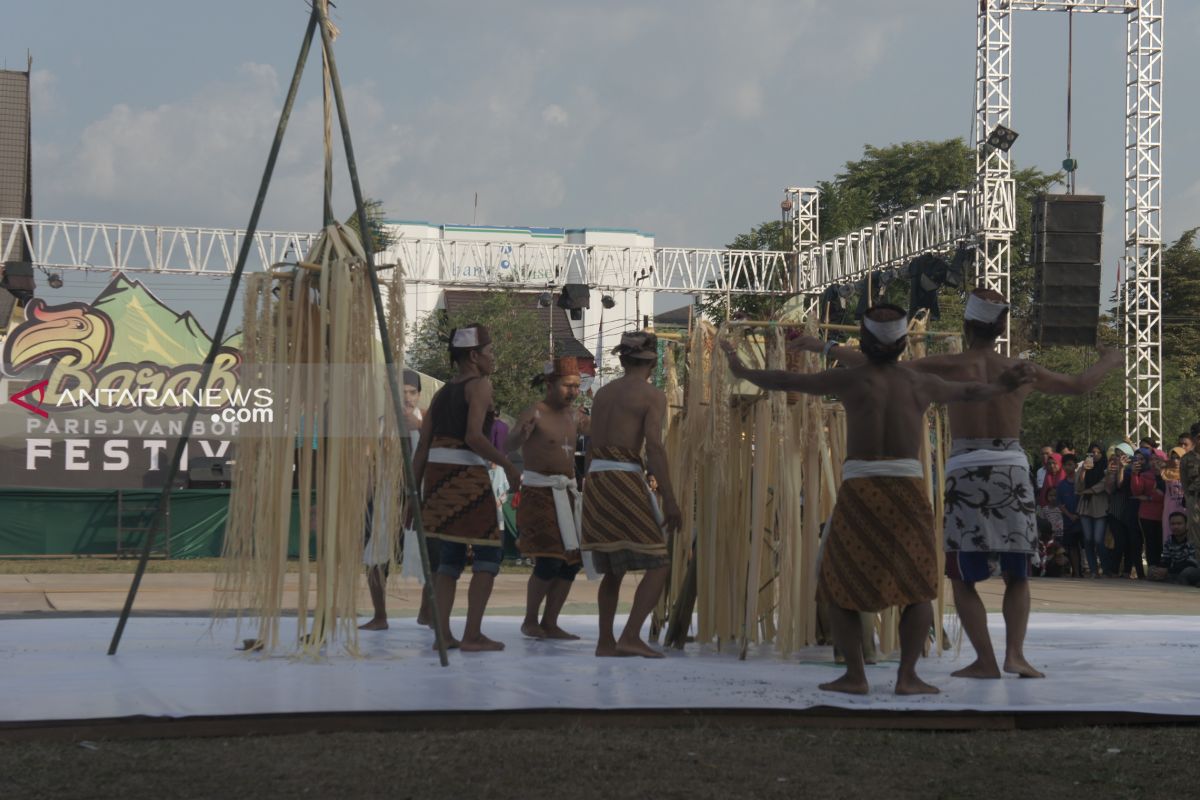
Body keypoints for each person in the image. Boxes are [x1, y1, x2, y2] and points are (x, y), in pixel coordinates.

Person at [795, 289, 1121, 680]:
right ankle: (1014, 655)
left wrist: (823, 345)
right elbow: (1080, 384)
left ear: (966, 326)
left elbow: (876, 364)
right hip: (1012, 470)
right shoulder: (1021, 369)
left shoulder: (947, 365)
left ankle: (985, 659)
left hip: (967, 470)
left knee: (963, 576)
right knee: (1017, 572)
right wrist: (1111, 360)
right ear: (1001, 328)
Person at [727, 304, 1036, 695]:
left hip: (862, 490)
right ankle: (907, 676)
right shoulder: (918, 383)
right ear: (904, 344)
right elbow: (972, 392)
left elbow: (785, 379)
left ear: (867, 342)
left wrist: (741, 370)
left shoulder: (851, 381)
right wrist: (1003, 386)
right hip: (907, 490)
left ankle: (856, 675)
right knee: (919, 583)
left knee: (838, 583)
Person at [412, 324, 521, 652]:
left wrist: (413, 495)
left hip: (437, 479)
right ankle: (472, 634)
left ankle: (443, 635)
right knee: (488, 554)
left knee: (451, 557)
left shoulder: (443, 393)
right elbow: (474, 436)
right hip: (466, 479)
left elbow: (423, 447)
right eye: (488, 353)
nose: (491, 359)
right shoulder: (480, 386)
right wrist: (508, 464)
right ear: (474, 356)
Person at [581, 331, 682, 659]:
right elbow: (653, 445)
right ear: (652, 362)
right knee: (659, 562)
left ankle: (605, 642)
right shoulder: (652, 396)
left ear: (623, 359)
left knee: (613, 567)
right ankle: (629, 636)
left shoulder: (604, 394)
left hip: (595, 480)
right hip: (622, 477)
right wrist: (669, 497)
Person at [506, 356, 589, 640]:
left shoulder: (576, 415)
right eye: (568, 385)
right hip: (539, 493)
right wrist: (521, 434)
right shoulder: (535, 412)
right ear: (551, 384)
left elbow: (598, 432)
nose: (574, 391)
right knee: (549, 559)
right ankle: (530, 620)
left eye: (577, 386)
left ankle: (550, 622)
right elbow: (509, 444)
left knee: (572, 561)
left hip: (568, 492)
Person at [360, 369, 431, 632]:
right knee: (375, 558)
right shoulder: (381, 425)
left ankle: (427, 612)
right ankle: (380, 616)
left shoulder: (428, 421)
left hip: (422, 498)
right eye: (402, 394)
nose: (408, 399)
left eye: (412, 393)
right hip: (388, 497)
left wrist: (422, 427)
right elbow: (370, 467)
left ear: (419, 394)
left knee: (430, 558)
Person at [1075, 443, 1112, 578]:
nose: (1095, 455)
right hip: (1085, 506)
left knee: (1098, 540)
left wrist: (1087, 491)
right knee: (1088, 539)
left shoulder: (1106, 467)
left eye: (1097, 453)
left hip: (1100, 506)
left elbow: (1103, 485)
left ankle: (1106, 568)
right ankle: (1093, 570)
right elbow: (1078, 486)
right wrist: (1084, 470)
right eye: (1092, 453)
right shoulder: (1083, 467)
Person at [1132, 448, 1166, 570]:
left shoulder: (1168, 474)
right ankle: (1152, 568)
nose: (1154, 462)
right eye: (1151, 459)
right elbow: (1136, 491)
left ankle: (1163, 569)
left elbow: (1164, 495)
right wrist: (1135, 474)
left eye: (1157, 459)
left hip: (1164, 513)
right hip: (1146, 514)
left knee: (1162, 541)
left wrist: (1149, 498)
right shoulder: (1145, 474)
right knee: (1150, 542)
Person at [1156, 512, 1200, 586]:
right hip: (1175, 571)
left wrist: (1168, 570)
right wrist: (1161, 569)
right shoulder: (1169, 541)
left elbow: (1191, 563)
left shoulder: (1192, 540)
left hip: (1193, 570)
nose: (1175, 526)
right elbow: (1165, 559)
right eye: (1172, 524)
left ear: (1186, 525)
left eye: (1179, 524)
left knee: (1186, 573)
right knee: (1151, 571)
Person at [1056, 454, 1082, 577]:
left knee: (1084, 545)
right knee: (1072, 547)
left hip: (1082, 519)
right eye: (1065, 465)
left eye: (1070, 464)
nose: (1067, 467)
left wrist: (1078, 514)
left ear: (1076, 466)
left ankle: (1088, 570)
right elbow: (1060, 504)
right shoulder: (1061, 485)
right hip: (1068, 520)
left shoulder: (1081, 481)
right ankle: (1076, 572)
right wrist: (1070, 515)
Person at [1162, 446, 1187, 540]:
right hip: (1170, 509)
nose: (1175, 461)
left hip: (1185, 508)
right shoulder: (1165, 472)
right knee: (1169, 534)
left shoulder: (1189, 472)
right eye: (1173, 458)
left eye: (1178, 458)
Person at [1181, 422, 1200, 543]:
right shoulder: (1186, 458)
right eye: (1198, 437)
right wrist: (1190, 501)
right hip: (1195, 500)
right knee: (1195, 538)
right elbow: (1184, 483)